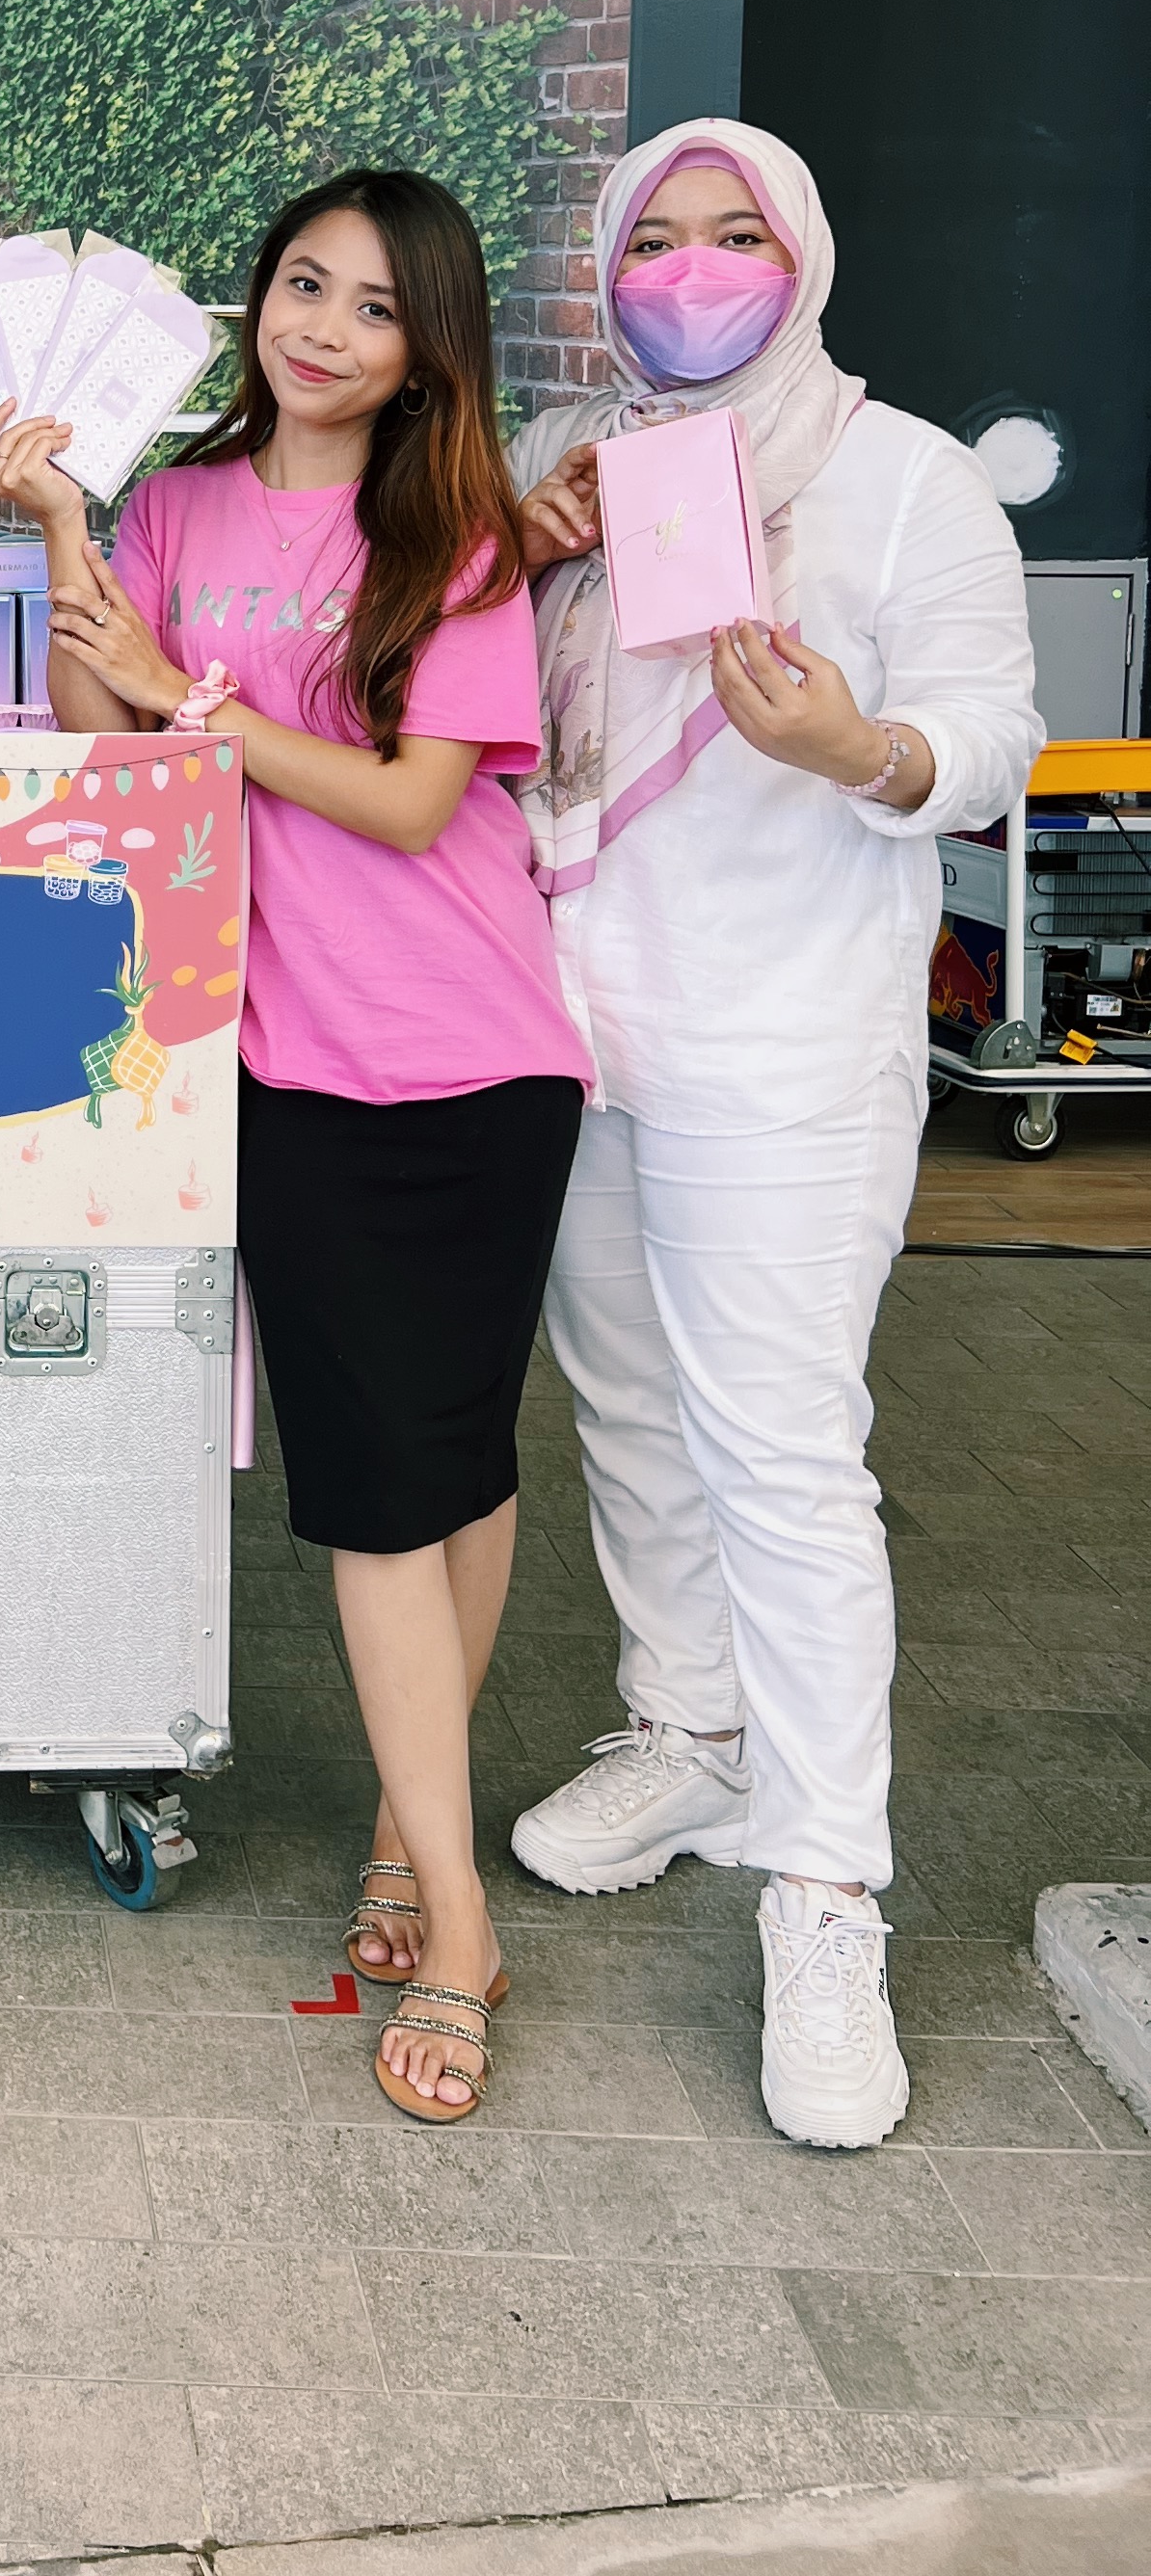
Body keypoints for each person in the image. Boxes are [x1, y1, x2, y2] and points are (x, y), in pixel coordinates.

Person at [0, 172, 590, 2125]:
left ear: (426, 352)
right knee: (375, 1495)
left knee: (457, 1471)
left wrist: (204, 709)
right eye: (303, 284)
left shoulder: (456, 537)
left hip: (481, 1056)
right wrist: (67, 532)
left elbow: (414, 805)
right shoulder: (174, 511)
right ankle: (463, 1906)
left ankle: (421, 1851)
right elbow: (112, 747)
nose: (325, 327)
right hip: (291, 1064)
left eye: (376, 307)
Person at [504, 119, 1038, 2151]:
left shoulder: (902, 479)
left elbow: (991, 736)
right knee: (628, 1407)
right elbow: (466, 699)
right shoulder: (575, 459)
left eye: (737, 234)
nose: (695, 268)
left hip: (789, 1045)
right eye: (657, 236)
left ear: (802, 257)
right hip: (578, 1020)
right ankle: (692, 1732)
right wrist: (518, 556)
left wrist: (857, 746)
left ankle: (827, 1892)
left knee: (787, 1461)